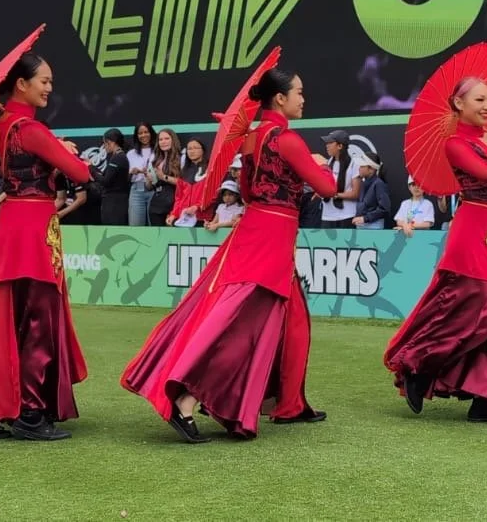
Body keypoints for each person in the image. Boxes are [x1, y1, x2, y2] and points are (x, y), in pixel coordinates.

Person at [121, 67, 338, 443]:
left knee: (291, 319)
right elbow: (328, 188)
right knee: (240, 325)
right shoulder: (288, 140)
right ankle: (186, 399)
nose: (304, 98)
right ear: (280, 99)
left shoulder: (251, 139)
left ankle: (288, 403)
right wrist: (321, 163)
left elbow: (250, 189)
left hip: (254, 231)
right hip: (270, 239)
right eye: (299, 92)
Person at [0, 52, 95, 442]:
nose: (49, 88)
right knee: (37, 320)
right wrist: (66, 154)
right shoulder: (32, 131)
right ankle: (31, 414)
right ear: (21, 83)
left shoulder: (4, 126)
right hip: (33, 229)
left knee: (6, 320)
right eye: (45, 81)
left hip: (9, 227)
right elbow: (82, 174)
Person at [385, 76, 487, 423]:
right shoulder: (455, 143)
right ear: (458, 104)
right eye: (480, 100)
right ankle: (418, 365)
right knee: (478, 306)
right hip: (472, 229)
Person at [97, 128, 131, 226]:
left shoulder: (118, 157)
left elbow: (105, 181)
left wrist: (90, 167)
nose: (104, 146)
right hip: (114, 202)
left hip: (115, 203)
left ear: (111, 142)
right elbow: (107, 176)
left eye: (104, 143)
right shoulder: (117, 156)